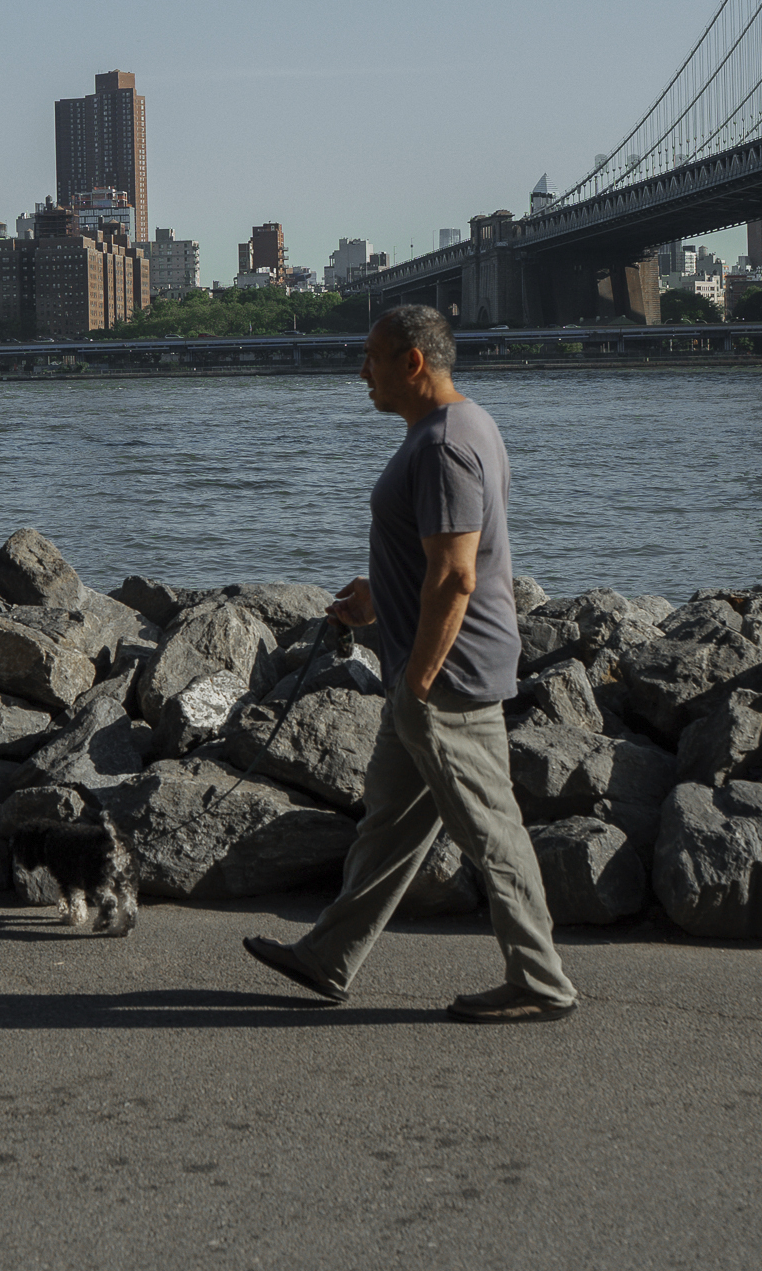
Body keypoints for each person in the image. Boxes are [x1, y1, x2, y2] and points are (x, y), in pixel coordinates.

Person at [242, 304, 579, 1022]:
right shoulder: (460, 426)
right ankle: (329, 956)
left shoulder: (444, 446)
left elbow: (457, 575)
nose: (360, 371)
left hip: (444, 677)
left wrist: (420, 681)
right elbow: (443, 559)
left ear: (412, 363)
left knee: (491, 831)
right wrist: (376, 597)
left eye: (371, 356)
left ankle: (542, 983)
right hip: (425, 669)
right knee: (389, 824)